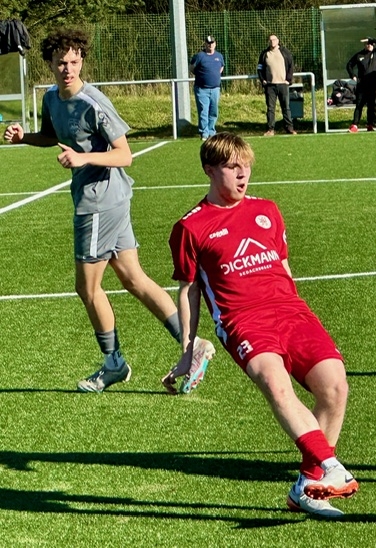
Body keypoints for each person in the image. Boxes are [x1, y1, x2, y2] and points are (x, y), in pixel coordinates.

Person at [3, 28, 214, 394]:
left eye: (74, 62)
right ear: (50, 64)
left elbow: (124, 154)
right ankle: (192, 343)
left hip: (100, 202)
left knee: (87, 288)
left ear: (81, 60)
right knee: (133, 278)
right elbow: (52, 135)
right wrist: (25, 138)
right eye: (61, 63)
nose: (68, 69)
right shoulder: (52, 97)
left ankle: (114, 363)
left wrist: (83, 158)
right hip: (103, 198)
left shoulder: (93, 102)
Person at [162, 132, 358, 518]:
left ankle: (308, 484)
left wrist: (300, 312)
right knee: (275, 383)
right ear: (209, 170)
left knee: (335, 387)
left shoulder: (267, 209)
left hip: (291, 312)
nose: (242, 174)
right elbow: (189, 291)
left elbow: (284, 267)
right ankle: (329, 465)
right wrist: (187, 349)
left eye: (246, 166)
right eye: (232, 167)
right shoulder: (191, 226)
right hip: (243, 320)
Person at [257, 34, 297, 136]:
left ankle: (289, 128)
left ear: (278, 40)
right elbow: (259, 68)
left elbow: (291, 66)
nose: (272, 42)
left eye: (274, 40)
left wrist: (288, 80)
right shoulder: (264, 54)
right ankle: (270, 129)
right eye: (270, 40)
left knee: (286, 107)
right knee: (270, 108)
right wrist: (263, 80)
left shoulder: (285, 52)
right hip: (270, 86)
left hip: (283, 85)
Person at [346, 36, 376, 132]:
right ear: (364, 45)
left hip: (373, 85)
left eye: (371, 44)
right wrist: (353, 75)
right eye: (367, 44)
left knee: (371, 106)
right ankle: (355, 125)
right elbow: (349, 65)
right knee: (359, 105)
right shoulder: (359, 55)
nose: (369, 45)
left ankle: (370, 124)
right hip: (362, 85)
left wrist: (371, 39)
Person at [190, 35, 225, 140]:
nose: (210, 45)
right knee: (203, 111)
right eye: (208, 43)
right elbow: (191, 68)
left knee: (213, 111)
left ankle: (211, 131)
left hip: (215, 89)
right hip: (202, 89)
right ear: (205, 44)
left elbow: (221, 67)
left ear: (215, 44)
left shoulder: (219, 56)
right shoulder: (200, 56)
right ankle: (204, 133)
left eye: (212, 43)